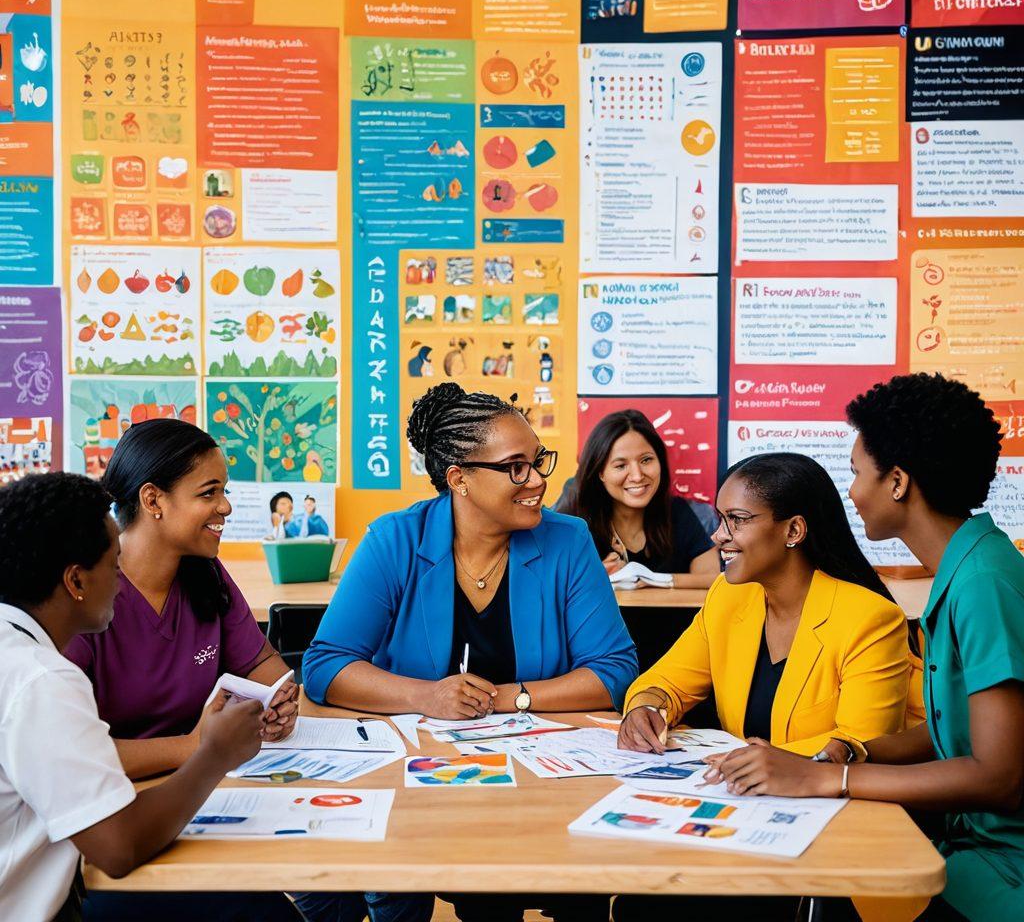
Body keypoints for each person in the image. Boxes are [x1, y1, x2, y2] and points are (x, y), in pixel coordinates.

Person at [303, 382, 638, 922]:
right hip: (416, 782)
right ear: (458, 478)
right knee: (391, 893)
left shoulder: (568, 540)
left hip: (540, 783)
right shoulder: (394, 540)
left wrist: (511, 697)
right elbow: (324, 666)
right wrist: (427, 697)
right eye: (516, 467)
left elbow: (615, 670)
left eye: (538, 461)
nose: (537, 481)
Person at [707, 375, 1024, 922]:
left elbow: (1001, 775)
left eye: (856, 472)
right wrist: (857, 751)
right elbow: (961, 726)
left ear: (897, 481)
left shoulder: (983, 585)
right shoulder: (968, 569)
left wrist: (833, 778)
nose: (850, 491)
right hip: (970, 844)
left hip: (1004, 864)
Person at [613, 452, 918, 920]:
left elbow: (862, 742)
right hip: (741, 813)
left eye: (736, 520)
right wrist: (647, 706)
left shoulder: (869, 618)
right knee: (640, 900)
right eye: (720, 519)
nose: (718, 536)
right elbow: (667, 679)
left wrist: (774, 761)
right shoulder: (729, 595)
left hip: (827, 826)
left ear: (794, 531)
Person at [0, 472, 298, 922]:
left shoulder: (15, 649)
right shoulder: (43, 680)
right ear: (77, 582)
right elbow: (118, 848)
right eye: (114, 565)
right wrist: (212, 753)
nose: (122, 582)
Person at [65, 419, 299, 782]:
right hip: (113, 801)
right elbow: (67, 751)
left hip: (198, 783)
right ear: (153, 499)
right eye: (208, 493)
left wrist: (277, 702)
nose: (225, 508)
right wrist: (195, 746)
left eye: (225, 492)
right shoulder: (84, 593)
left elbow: (261, 661)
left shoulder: (206, 574)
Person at [556, 409, 720, 587]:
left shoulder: (679, 512)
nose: (636, 476)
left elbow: (713, 579)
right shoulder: (576, 523)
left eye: (646, 460)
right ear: (600, 472)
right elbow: (550, 587)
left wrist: (649, 578)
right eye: (620, 465)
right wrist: (597, 579)